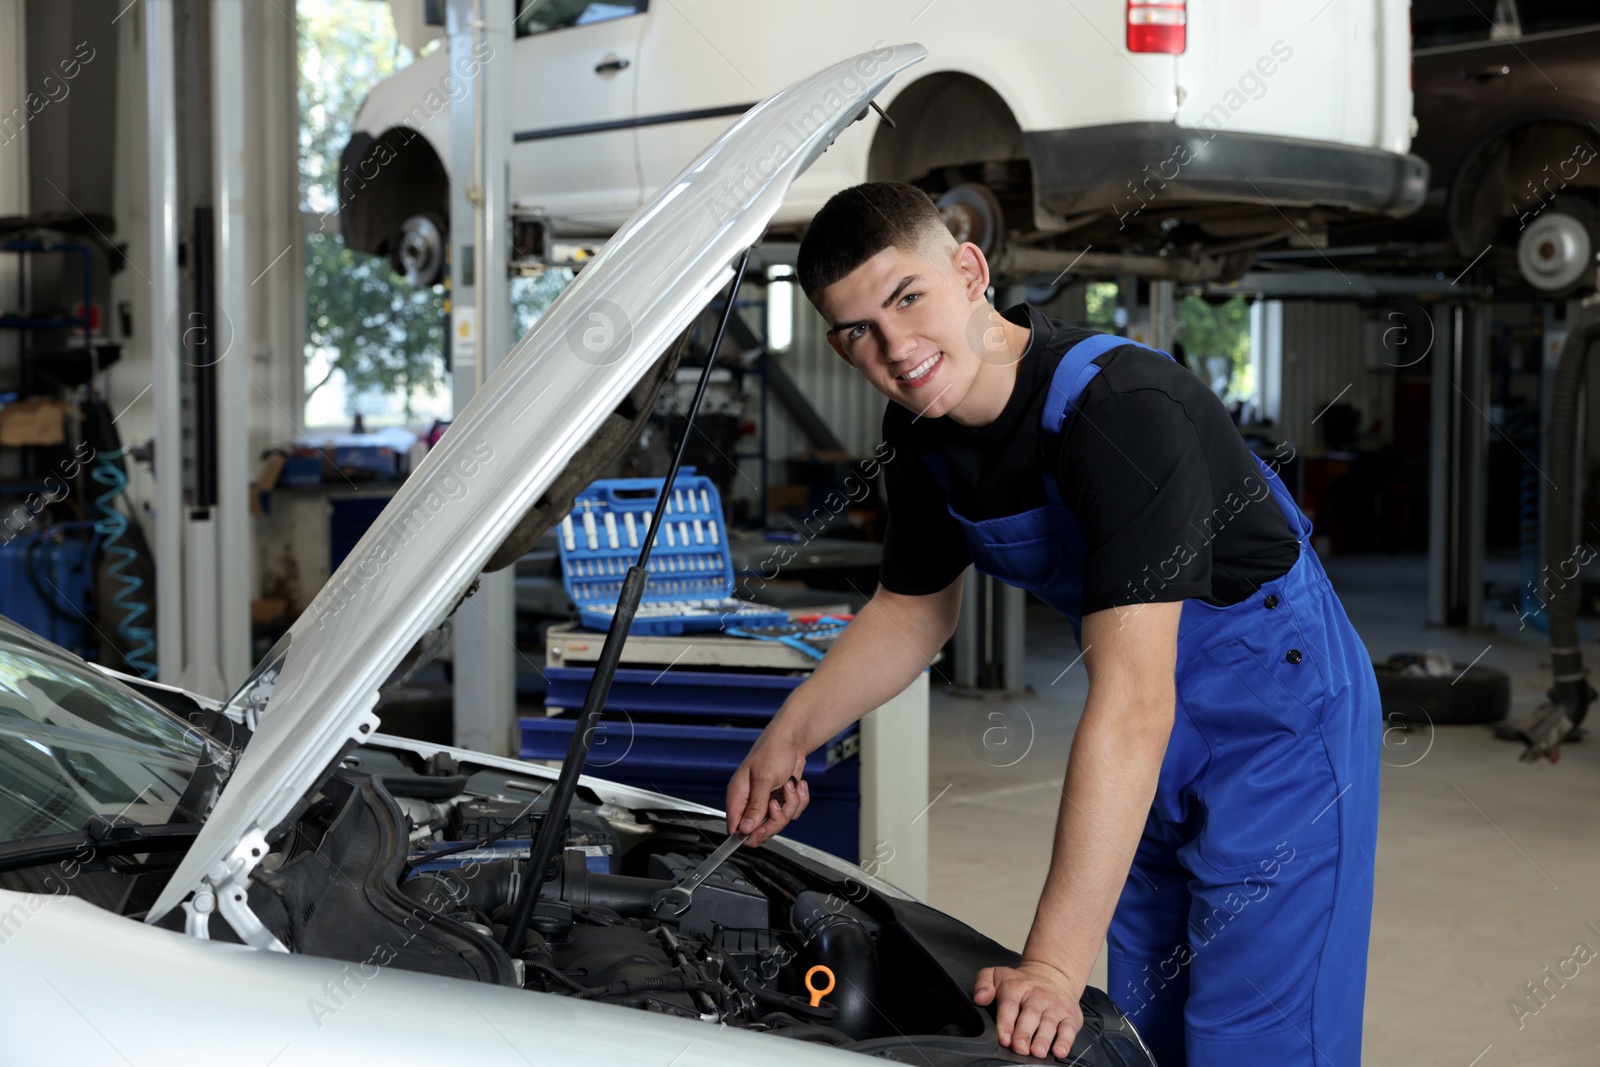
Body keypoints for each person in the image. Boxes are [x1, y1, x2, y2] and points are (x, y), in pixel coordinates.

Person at [725, 182, 1381, 1066]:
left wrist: (1050, 963)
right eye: (857, 332)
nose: (895, 348)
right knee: (1149, 1009)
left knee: (1258, 1031)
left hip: (1280, 719)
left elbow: (1134, 701)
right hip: (1153, 721)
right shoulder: (920, 438)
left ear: (970, 270)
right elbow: (913, 610)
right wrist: (788, 736)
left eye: (907, 298)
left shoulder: (1120, 412)